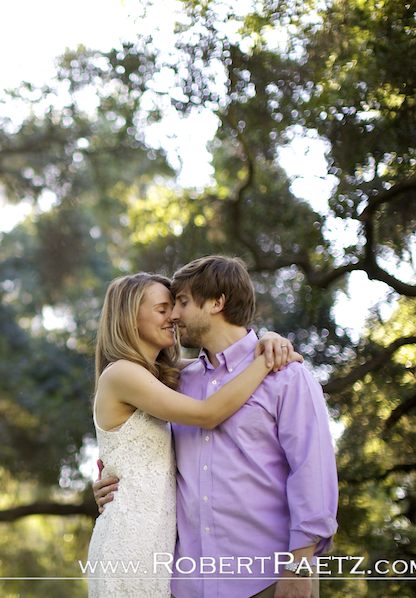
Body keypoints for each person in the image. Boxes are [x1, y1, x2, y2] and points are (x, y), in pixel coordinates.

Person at [93, 256, 338, 598]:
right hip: (184, 584)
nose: (175, 316)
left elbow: (312, 471)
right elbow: (143, 435)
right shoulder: (177, 383)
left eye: (180, 303)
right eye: (167, 306)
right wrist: (111, 481)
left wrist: (300, 564)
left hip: (265, 579)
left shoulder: (288, 377)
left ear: (217, 302)